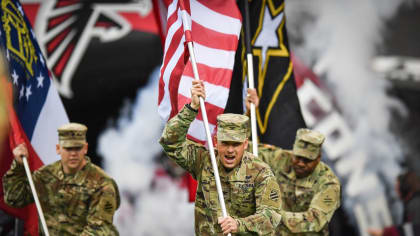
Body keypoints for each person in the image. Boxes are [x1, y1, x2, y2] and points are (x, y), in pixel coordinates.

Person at [159, 80, 283, 235]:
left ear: (245, 144)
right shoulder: (204, 161)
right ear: (216, 142)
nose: (230, 150)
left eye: (235, 144)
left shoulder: (260, 172)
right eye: (225, 143)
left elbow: (272, 217)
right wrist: (192, 108)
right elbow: (170, 142)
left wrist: (239, 225)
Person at [246, 88, 341, 235]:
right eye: (298, 157)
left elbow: (314, 221)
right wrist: (249, 113)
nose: (301, 163)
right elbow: (243, 147)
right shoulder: (280, 158)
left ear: (318, 158)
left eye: (307, 160)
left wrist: (273, 217)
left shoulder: (328, 183)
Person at [3, 123, 120, 235]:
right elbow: (14, 199)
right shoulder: (46, 176)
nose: (73, 153)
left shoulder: (103, 185)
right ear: (58, 149)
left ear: (85, 148)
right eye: (68, 148)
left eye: (78, 148)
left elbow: (99, 229)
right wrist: (18, 166)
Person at [368, 171, 420, 236]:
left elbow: (411, 231)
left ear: (405, 188)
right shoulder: (413, 203)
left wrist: (385, 232)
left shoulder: (414, 205)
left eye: (397, 188)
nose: (396, 192)